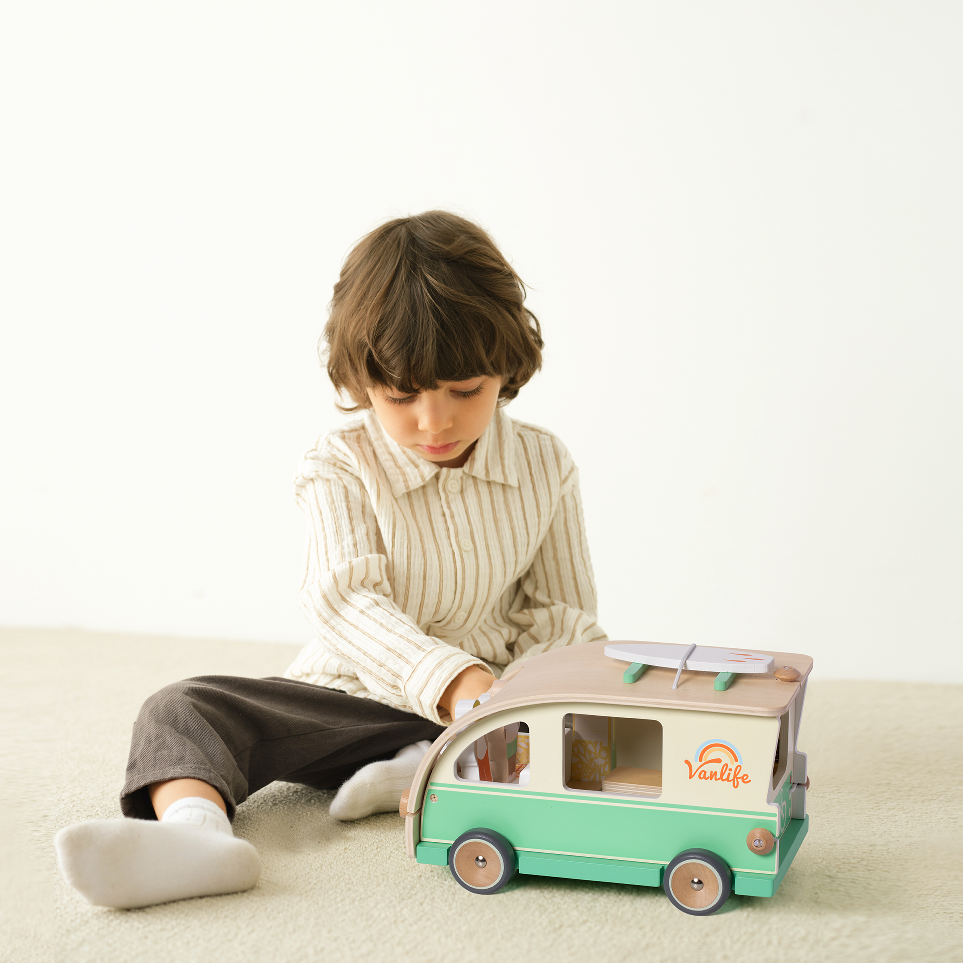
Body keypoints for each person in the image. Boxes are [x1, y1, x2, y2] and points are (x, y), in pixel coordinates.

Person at [54, 210, 607, 909]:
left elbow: (564, 615)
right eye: (401, 396)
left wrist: (505, 702)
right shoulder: (339, 463)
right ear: (361, 381)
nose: (433, 420)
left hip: (494, 714)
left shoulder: (545, 463)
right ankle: (197, 837)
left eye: (465, 390)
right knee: (180, 708)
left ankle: (434, 766)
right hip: (354, 703)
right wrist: (451, 681)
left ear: (507, 366)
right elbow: (342, 599)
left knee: (598, 729)